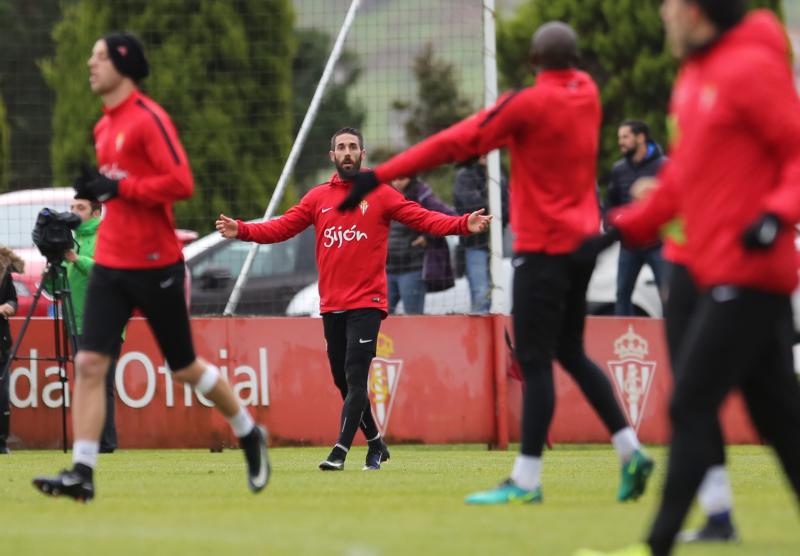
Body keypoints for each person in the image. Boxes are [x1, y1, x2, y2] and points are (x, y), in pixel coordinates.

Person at [338, 22, 653, 504]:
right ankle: (630, 450)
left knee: (533, 358)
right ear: (576, 62)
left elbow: (453, 143)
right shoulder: (587, 92)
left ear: (533, 62)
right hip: (584, 244)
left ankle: (526, 480)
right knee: (569, 350)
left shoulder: (525, 104)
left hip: (543, 249)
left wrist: (383, 172)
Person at [575, 3, 800, 555]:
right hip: (709, 266)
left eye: (671, 5)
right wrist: (618, 227)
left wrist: (775, 215)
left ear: (699, 11)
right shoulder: (694, 74)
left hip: (748, 270)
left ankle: (658, 543)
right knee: (780, 416)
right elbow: (684, 180)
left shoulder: (751, 67)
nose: (662, 14)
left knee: (690, 402)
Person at [33, 32, 269, 502]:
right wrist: (101, 191)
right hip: (111, 265)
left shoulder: (147, 118)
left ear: (123, 65)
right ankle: (83, 470)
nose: (89, 63)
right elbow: (119, 192)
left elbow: (180, 182)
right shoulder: (103, 127)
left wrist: (119, 190)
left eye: (99, 56)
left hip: (157, 264)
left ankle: (247, 431)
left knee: (184, 368)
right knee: (89, 362)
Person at [216, 127, 491, 471]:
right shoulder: (317, 198)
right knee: (342, 381)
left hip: (368, 303)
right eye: (341, 148)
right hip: (332, 304)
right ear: (332, 156)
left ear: (362, 155)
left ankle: (340, 451)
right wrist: (242, 229)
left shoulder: (381, 193)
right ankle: (375, 443)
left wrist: (464, 224)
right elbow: (282, 227)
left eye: (352, 147)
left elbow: (423, 217)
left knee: (356, 376)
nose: (347, 152)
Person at [64, 196, 121, 453]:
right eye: (72, 208)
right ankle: (88, 442)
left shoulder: (108, 236)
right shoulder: (68, 241)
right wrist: (53, 270)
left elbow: (108, 272)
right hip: (75, 322)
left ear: (97, 212)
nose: (74, 212)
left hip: (106, 322)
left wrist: (77, 260)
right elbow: (59, 285)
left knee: (102, 382)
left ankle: (106, 443)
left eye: (81, 208)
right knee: (86, 383)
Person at [606, 120, 666, 315]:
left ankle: (671, 340)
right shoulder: (619, 169)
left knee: (667, 294)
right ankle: (623, 341)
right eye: (619, 138)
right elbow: (611, 203)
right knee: (622, 295)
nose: (621, 142)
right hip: (629, 245)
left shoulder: (664, 166)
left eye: (625, 137)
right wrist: (612, 225)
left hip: (657, 244)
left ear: (640, 137)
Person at [386, 175, 457, 315]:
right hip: (387, 268)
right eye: (394, 178)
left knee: (413, 318)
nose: (397, 181)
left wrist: (428, 237)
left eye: (401, 178)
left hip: (412, 268)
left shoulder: (422, 194)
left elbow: (448, 216)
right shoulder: (385, 194)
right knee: (380, 319)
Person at [453, 156, 509, 314]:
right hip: (473, 244)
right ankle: (479, 332)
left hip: (496, 245)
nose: (486, 155)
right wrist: (494, 211)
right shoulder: (465, 176)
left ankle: (491, 331)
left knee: (495, 292)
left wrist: (497, 213)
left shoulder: (500, 177)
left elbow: (507, 210)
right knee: (480, 291)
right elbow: (470, 205)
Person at [0, 246, 23, 454]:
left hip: (2, 342)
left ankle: (1, 441)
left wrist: (9, 306)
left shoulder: (5, 272)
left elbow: (13, 299)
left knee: (3, 394)